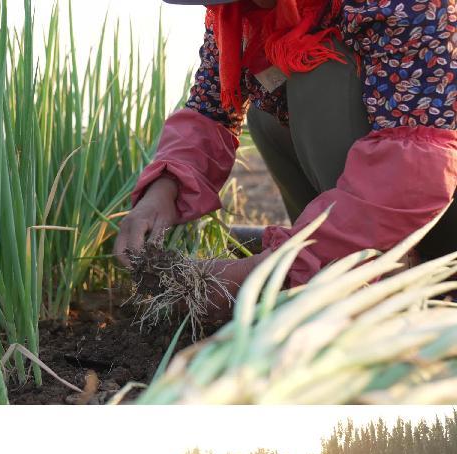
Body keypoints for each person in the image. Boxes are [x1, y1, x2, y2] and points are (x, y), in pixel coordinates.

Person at [116, 0, 457, 293]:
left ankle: (374, 267)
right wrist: (163, 191)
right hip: (397, 201)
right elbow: (210, 110)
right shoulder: (241, 13)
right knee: (267, 115)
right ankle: (325, 262)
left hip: (436, 208)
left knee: (316, 74)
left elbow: (418, 169)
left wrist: (263, 277)